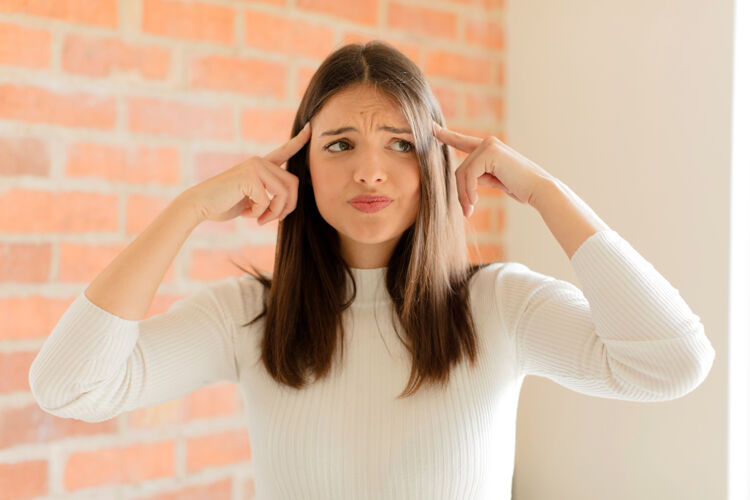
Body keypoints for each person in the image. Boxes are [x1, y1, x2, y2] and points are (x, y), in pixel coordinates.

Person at [28, 40, 716, 499]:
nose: (369, 170)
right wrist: (188, 208)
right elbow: (68, 388)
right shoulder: (246, 317)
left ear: (434, 163)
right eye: (339, 144)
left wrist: (545, 193)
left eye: (400, 143)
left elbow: (672, 361)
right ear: (300, 166)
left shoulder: (500, 307)